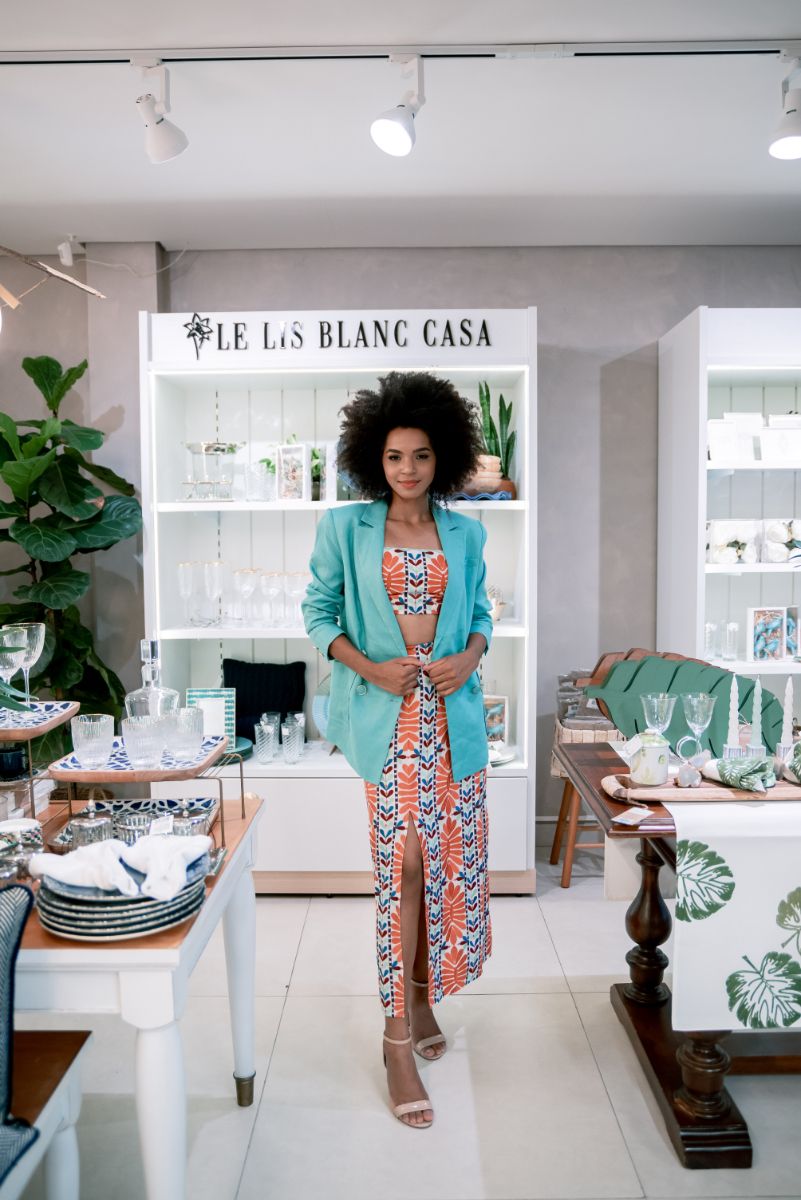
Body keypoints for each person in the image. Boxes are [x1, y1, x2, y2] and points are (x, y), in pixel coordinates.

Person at [302, 370, 494, 1130]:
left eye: (420, 455)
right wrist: (369, 667)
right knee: (403, 865)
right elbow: (319, 613)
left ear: (442, 456)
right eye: (392, 456)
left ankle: (420, 995)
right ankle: (395, 1039)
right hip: (385, 716)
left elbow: (480, 615)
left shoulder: (466, 533)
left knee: (439, 864)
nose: (406, 469)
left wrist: (470, 656)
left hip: (449, 716)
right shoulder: (344, 527)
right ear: (371, 459)